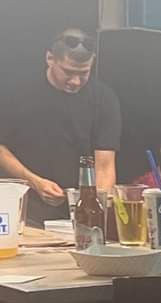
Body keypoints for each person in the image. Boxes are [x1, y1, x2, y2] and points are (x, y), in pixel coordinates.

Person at [0, 27, 119, 226]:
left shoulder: (104, 99)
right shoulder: (17, 94)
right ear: (50, 58)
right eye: (68, 72)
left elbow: (105, 165)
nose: (75, 81)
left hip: (77, 211)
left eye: (84, 73)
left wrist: (95, 205)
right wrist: (34, 181)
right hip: (25, 208)